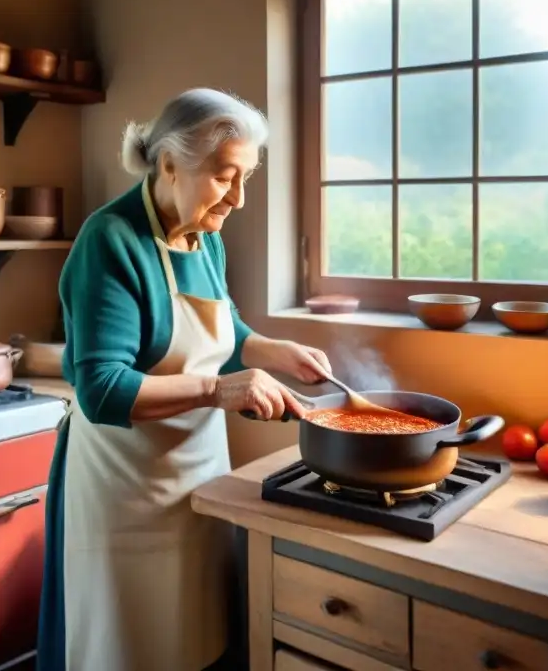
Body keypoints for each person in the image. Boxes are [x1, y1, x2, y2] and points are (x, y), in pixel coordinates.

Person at [37, 87, 332, 671]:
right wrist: (223, 390)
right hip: (121, 493)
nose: (239, 198)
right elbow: (101, 389)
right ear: (170, 164)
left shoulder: (206, 237)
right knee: (126, 647)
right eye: (226, 177)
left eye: (246, 177)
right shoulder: (110, 241)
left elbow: (219, 331)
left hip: (196, 480)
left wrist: (274, 351)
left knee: (192, 640)